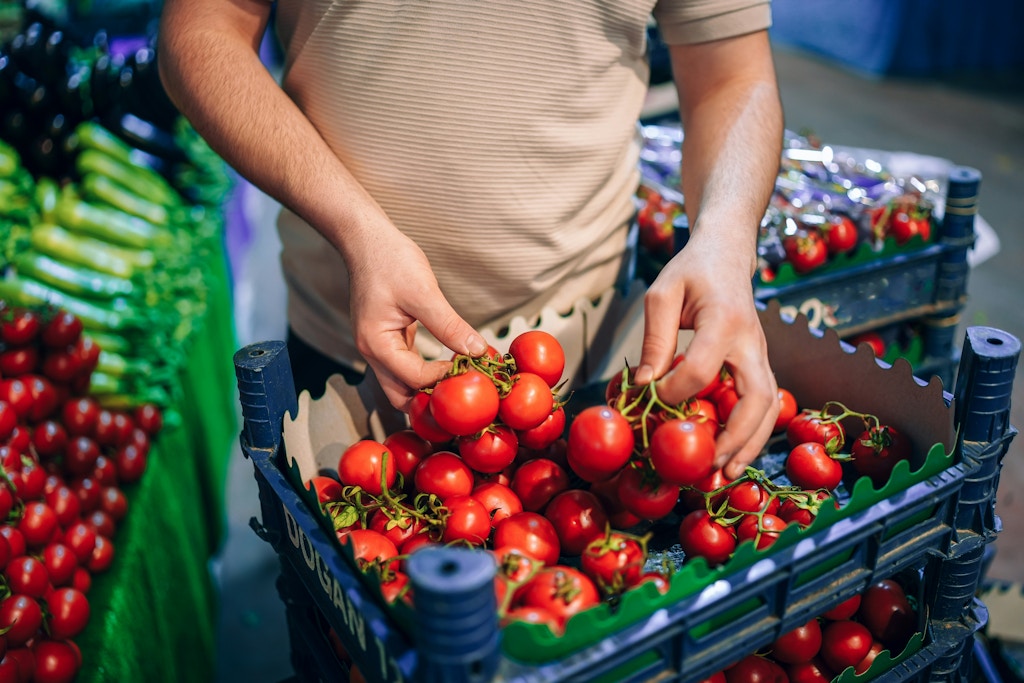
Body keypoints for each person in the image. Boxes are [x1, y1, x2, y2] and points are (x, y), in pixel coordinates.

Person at [157, 0, 783, 480]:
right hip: (347, 349)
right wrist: (358, 230)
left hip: (591, 345)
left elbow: (733, 78)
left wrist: (727, 239)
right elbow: (202, 29)